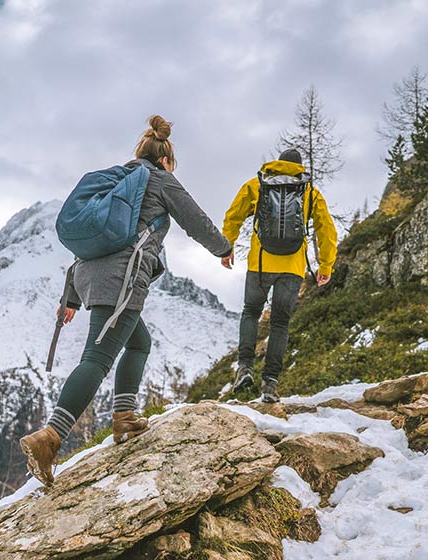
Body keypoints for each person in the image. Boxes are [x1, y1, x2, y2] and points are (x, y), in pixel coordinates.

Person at [20, 115, 232, 486]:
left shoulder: (115, 181)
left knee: (139, 342)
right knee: (97, 358)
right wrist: (224, 248)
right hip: (122, 279)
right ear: (166, 160)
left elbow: (92, 243)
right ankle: (50, 437)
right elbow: (195, 220)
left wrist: (70, 296)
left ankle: (124, 418)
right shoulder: (160, 180)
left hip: (90, 277)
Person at [221, 148, 337, 403]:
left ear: (278, 163)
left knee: (251, 312)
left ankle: (245, 368)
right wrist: (325, 265)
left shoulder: (258, 184)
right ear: (299, 167)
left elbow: (234, 216)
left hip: (261, 264)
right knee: (280, 324)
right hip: (293, 266)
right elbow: (326, 229)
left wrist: (227, 247)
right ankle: (270, 383)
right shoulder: (309, 191)